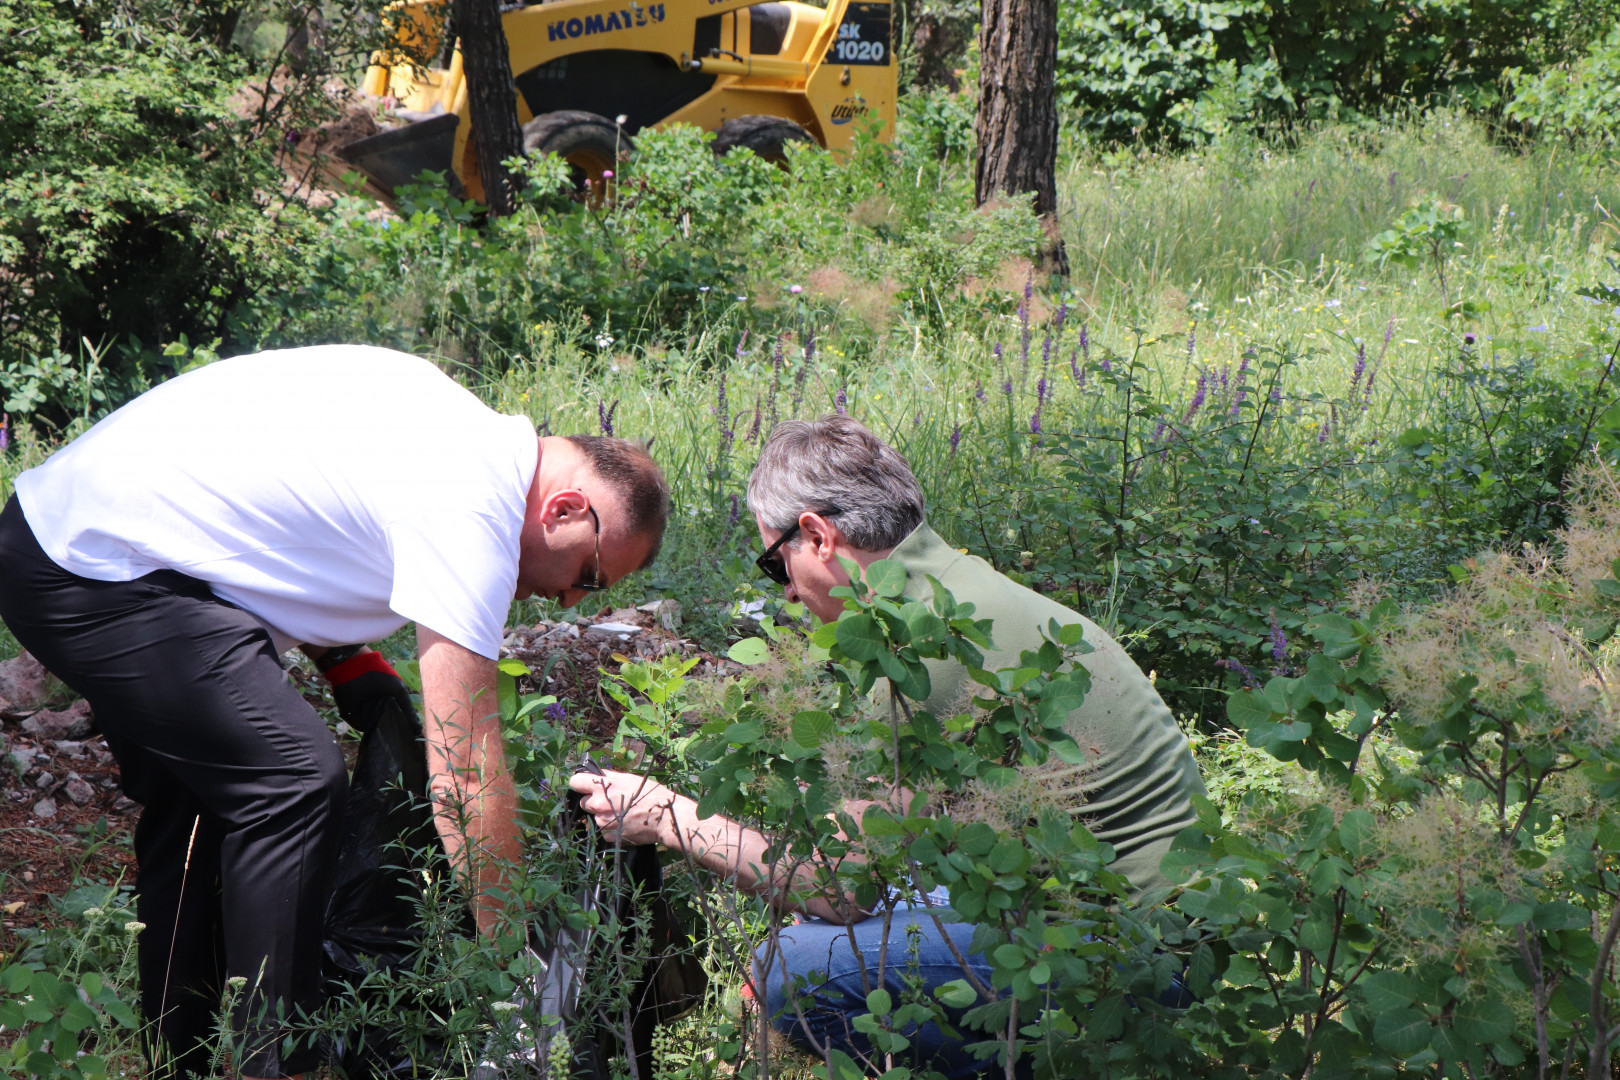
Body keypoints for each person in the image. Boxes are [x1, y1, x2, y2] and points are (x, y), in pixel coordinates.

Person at [0, 344, 669, 1080]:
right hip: (91, 568)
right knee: (292, 783)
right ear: (567, 509)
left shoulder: (456, 427)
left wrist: (348, 659)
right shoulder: (473, 503)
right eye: (587, 575)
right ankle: (285, 1064)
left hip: (81, 540)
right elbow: (468, 768)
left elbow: (285, 520)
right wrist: (514, 967)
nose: (571, 599)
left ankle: (180, 1058)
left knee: (199, 810)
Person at [570, 415, 1205, 1078]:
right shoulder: (953, 588)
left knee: (790, 968)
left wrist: (667, 815)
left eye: (773, 562)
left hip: (1135, 964)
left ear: (818, 535)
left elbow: (838, 887)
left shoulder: (921, 641)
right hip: (1163, 935)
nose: (783, 590)